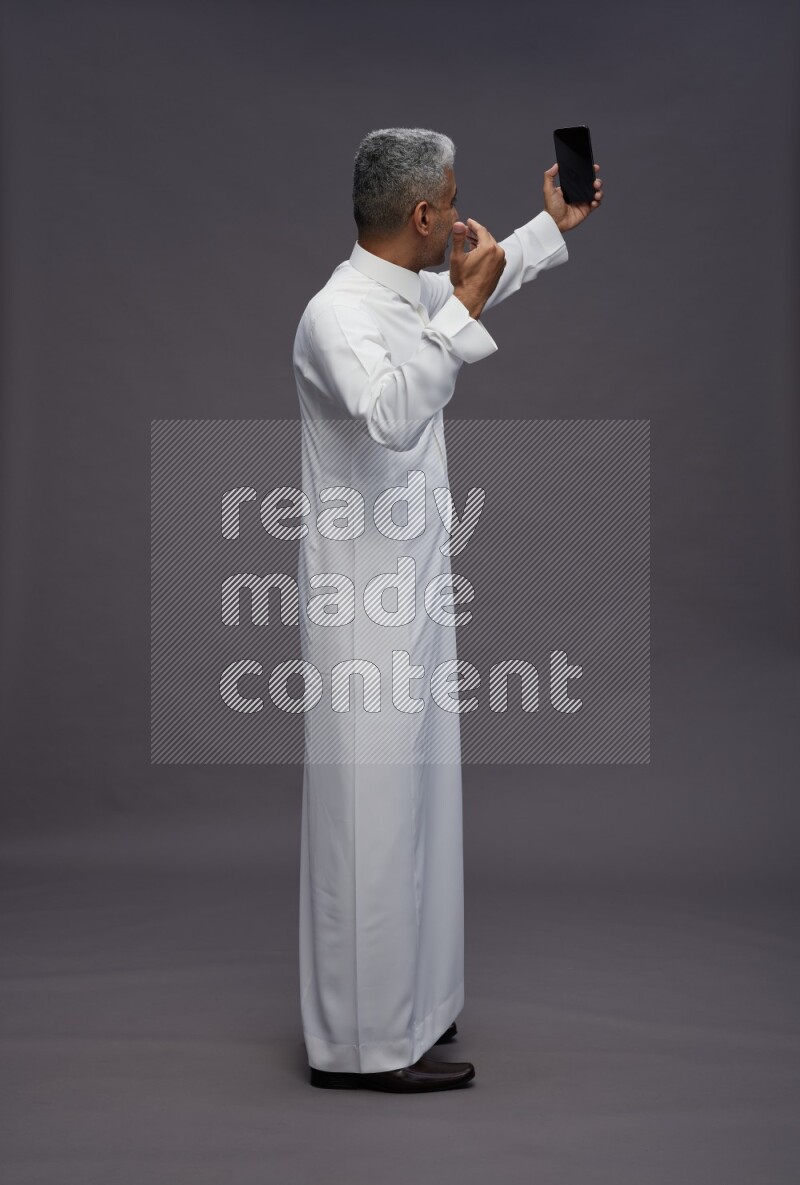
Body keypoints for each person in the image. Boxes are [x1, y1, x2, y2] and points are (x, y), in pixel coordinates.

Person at [292, 127, 603, 1093]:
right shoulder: (335, 316)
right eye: (454, 200)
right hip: (361, 606)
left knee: (424, 805)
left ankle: (417, 1010)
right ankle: (359, 1046)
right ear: (421, 215)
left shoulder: (408, 290)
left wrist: (549, 228)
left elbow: (477, 287)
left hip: (416, 591)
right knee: (372, 821)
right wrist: (459, 304)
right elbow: (390, 412)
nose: (462, 215)